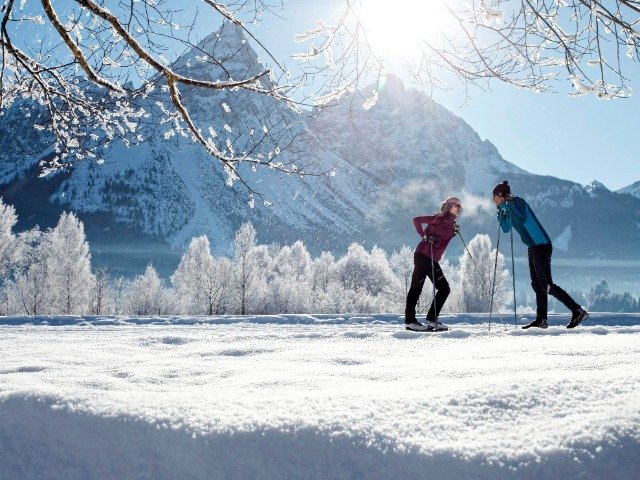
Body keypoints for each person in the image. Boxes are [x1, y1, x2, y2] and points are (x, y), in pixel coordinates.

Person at [492, 180, 589, 329]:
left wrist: (506, 207)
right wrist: (500, 213)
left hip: (542, 245)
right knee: (537, 286)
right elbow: (505, 228)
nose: (493, 200)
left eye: (495, 197)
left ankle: (578, 310)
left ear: (501, 195)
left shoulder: (517, 202)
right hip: (532, 247)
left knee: (545, 284)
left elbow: (521, 217)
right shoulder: (506, 206)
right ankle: (541, 320)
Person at [405, 197, 461, 332]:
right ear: (448, 207)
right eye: (455, 205)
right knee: (416, 287)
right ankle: (410, 321)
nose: (458, 208)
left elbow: (442, 241)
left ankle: (431, 320)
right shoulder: (439, 218)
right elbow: (416, 220)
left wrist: (453, 232)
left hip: (432, 259)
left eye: (459, 206)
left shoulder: (452, 223)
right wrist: (424, 236)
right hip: (423, 255)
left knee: (444, 288)